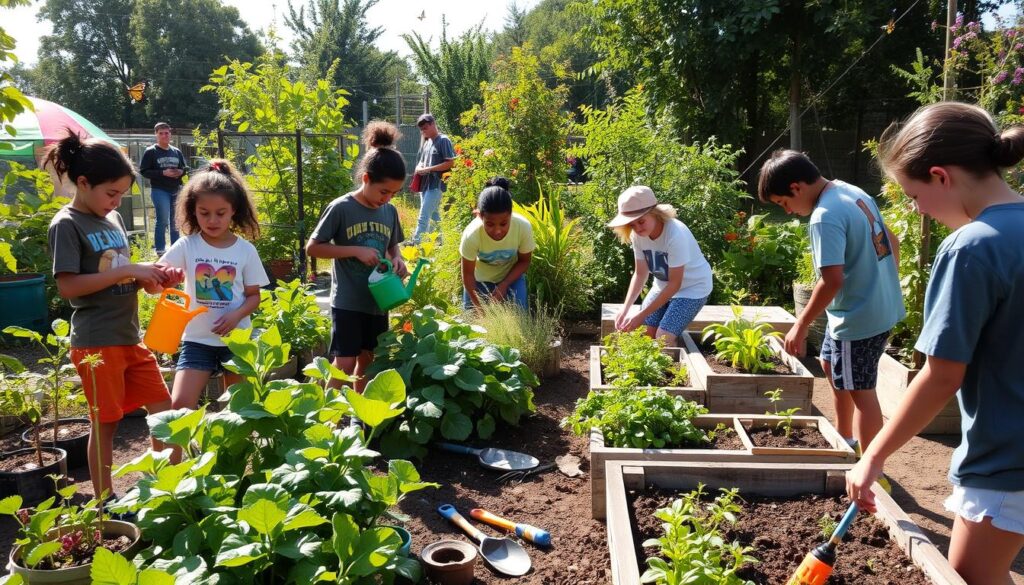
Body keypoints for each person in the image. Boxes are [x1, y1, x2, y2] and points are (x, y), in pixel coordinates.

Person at [846, 102, 1024, 585]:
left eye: (913, 194)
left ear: (941, 176)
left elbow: (942, 374)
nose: (916, 209)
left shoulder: (973, 246)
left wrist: (873, 457)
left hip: (1009, 457)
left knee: (969, 576)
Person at [46, 132, 183, 501]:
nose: (116, 201)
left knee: (165, 413)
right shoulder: (67, 224)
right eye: (111, 193)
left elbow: (124, 279)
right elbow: (69, 287)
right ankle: (105, 503)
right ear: (83, 183)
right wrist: (130, 271)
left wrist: (154, 278)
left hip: (129, 338)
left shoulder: (113, 221)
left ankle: (168, 490)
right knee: (105, 423)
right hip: (96, 342)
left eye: (122, 194)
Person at [758, 150, 904, 457]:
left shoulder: (824, 216)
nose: (787, 211)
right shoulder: (851, 191)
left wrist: (800, 324)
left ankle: (870, 466)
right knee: (830, 364)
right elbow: (893, 240)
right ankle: (844, 436)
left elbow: (831, 280)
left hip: (857, 318)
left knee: (862, 393)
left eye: (783, 203)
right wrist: (883, 282)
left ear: (796, 187)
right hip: (877, 307)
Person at [157, 159, 268, 461]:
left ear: (234, 211)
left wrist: (236, 315)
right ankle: (172, 472)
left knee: (236, 411)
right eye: (204, 213)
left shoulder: (245, 250)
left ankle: (230, 466)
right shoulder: (186, 246)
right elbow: (156, 282)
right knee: (179, 405)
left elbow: (254, 297)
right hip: (197, 341)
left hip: (236, 342)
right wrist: (165, 276)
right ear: (193, 211)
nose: (213, 220)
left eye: (220, 213)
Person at [306, 121, 409, 392]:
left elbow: (392, 247)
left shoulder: (389, 212)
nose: (387, 198)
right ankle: (328, 420)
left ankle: (357, 418)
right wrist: (354, 250)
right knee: (344, 361)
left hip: (377, 302)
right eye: (383, 191)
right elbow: (313, 247)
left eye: (394, 193)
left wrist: (398, 260)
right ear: (366, 179)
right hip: (348, 301)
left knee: (369, 360)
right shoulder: (341, 208)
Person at [608, 186, 713, 345]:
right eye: (632, 224)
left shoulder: (675, 234)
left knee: (663, 338)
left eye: (641, 221)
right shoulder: (638, 236)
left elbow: (675, 284)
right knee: (645, 334)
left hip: (692, 289)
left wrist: (641, 315)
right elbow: (640, 274)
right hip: (662, 286)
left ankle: (673, 365)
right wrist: (625, 309)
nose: (637, 228)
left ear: (655, 213)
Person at [460, 177, 535, 309]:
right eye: (489, 224)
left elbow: (524, 261)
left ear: (511, 214)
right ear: (479, 216)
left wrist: (505, 284)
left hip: (511, 278)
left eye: (503, 224)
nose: (497, 231)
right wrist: (479, 307)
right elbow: (468, 274)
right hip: (479, 281)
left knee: (519, 320)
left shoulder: (523, 227)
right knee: (472, 325)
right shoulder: (471, 235)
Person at [140, 122, 188, 255]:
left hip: (176, 189)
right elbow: (144, 171)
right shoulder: (151, 151)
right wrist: (162, 173)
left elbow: (184, 168)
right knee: (162, 219)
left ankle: (175, 249)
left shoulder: (176, 151)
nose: (164, 136)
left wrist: (180, 172)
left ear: (170, 134)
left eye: (166, 133)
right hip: (159, 190)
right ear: (156, 135)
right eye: (161, 133)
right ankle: (160, 250)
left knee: (175, 220)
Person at [411, 113, 455, 243]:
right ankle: (441, 243)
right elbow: (422, 161)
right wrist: (419, 168)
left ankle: (416, 243)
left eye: (425, 128)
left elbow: (450, 163)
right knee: (435, 215)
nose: (423, 131)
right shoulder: (427, 142)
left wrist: (429, 169)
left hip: (437, 185)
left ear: (432, 124)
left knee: (423, 215)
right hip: (425, 185)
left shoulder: (444, 140)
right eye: (421, 129)